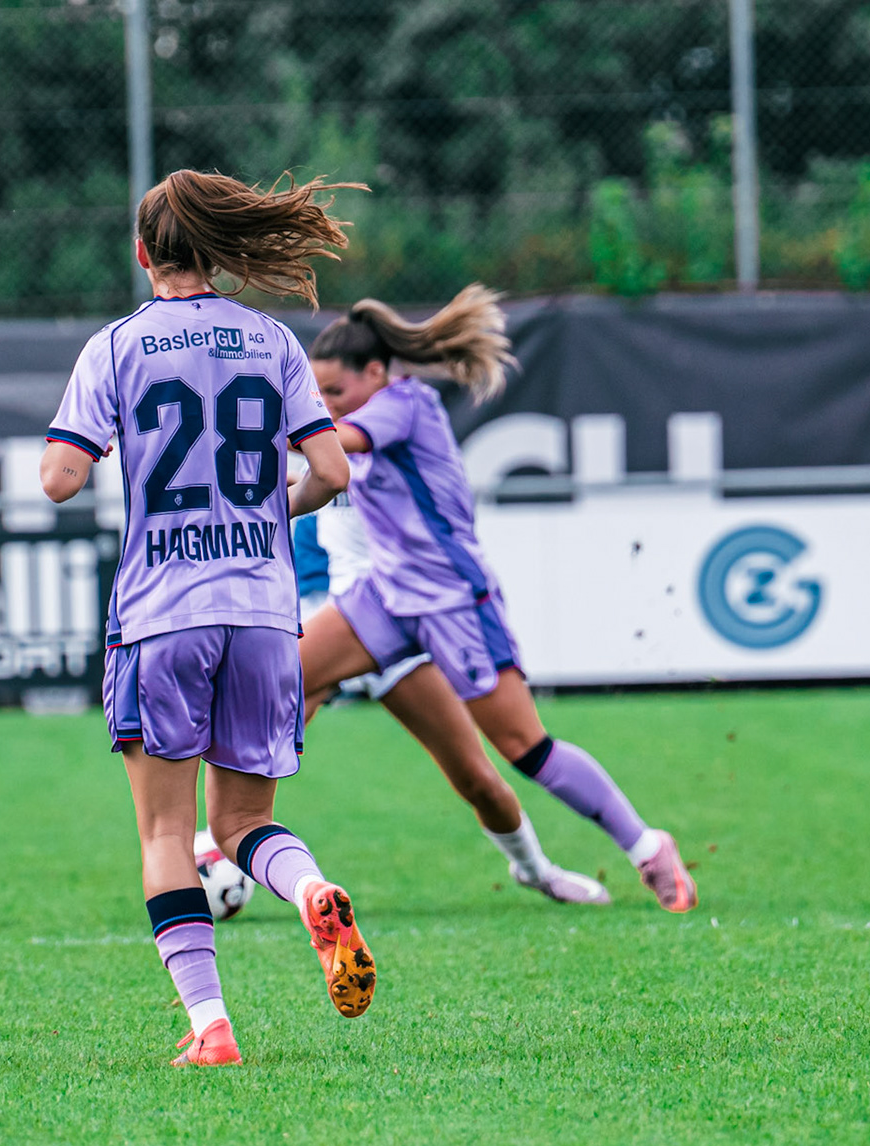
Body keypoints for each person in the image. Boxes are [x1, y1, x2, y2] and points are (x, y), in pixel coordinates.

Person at [39, 169, 375, 1069]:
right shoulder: (271, 340)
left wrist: (94, 447)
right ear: (220, 251)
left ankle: (211, 1025)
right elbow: (333, 475)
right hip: (266, 613)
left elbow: (60, 478)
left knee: (164, 834)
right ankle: (309, 889)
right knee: (241, 823)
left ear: (144, 253)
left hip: (162, 612)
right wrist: (271, 510)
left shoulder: (115, 347)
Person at [299, 285, 698, 913]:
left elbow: (335, 444)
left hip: (454, 602)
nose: (325, 406)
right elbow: (318, 467)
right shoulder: (363, 414)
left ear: (376, 373)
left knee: (524, 749)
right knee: (282, 680)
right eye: (316, 395)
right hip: (387, 596)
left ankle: (648, 847)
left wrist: (279, 433)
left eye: (335, 393)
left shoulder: (406, 405)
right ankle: (222, 840)